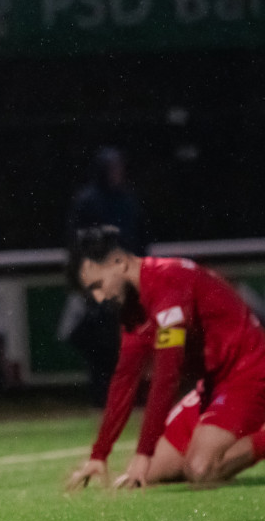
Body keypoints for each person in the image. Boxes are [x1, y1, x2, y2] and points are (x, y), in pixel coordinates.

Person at [65, 225, 265, 490]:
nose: (100, 297)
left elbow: (166, 377)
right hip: (213, 383)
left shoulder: (167, 282)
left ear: (119, 262)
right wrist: (99, 455)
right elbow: (125, 379)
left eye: (98, 285)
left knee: (199, 470)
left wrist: (142, 455)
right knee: (149, 474)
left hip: (249, 372)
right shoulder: (133, 308)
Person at [60, 147, 151, 406]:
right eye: (113, 168)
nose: (117, 173)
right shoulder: (87, 201)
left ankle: (131, 393)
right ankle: (102, 394)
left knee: (130, 337)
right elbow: (76, 241)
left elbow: (141, 237)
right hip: (100, 279)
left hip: (127, 277)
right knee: (100, 340)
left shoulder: (127, 199)